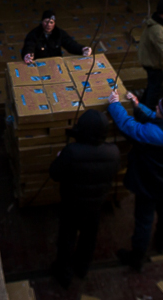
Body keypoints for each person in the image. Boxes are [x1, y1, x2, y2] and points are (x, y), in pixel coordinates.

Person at [108, 90, 163, 272]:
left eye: (158, 107)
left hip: (150, 183)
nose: (155, 107)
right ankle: (162, 241)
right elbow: (154, 117)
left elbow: (130, 127)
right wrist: (136, 104)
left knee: (144, 219)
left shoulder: (157, 135)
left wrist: (114, 105)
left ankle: (136, 257)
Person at [48, 109, 121, 288]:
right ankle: (82, 268)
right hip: (96, 204)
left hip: (71, 204)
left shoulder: (72, 152)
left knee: (67, 237)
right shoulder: (113, 152)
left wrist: (60, 158)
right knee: (89, 237)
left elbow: (55, 174)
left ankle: (64, 272)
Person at [21, 10, 91, 63]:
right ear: (42, 22)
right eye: (46, 22)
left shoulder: (59, 33)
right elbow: (29, 46)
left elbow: (70, 44)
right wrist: (28, 55)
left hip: (56, 64)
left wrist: (82, 49)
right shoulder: (34, 34)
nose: (48, 25)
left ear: (54, 23)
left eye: (51, 22)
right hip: (40, 65)